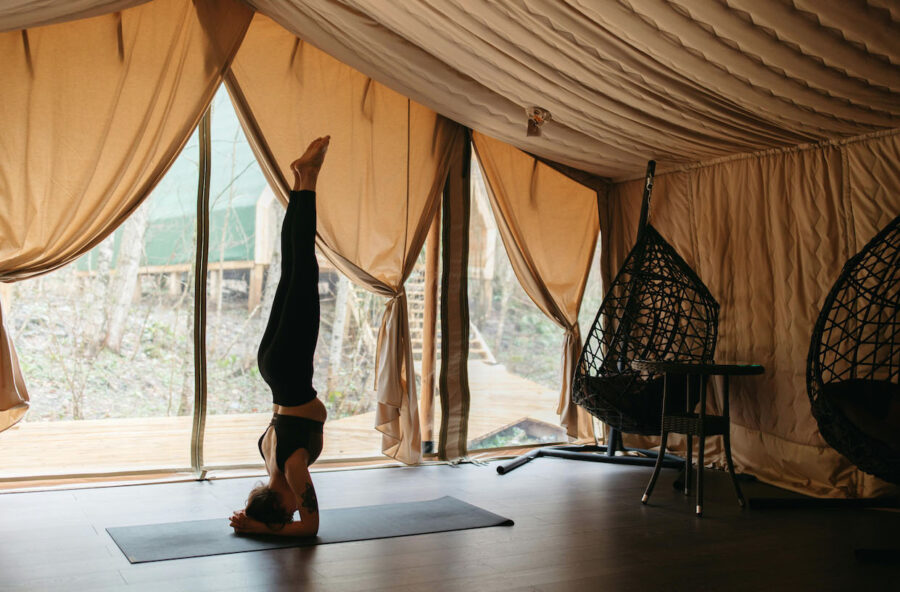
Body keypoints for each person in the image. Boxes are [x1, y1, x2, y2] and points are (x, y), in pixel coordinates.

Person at [230, 136, 331, 537]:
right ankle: (302, 180)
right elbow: (287, 511)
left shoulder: (291, 469)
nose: (296, 510)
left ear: (281, 503)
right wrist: (253, 516)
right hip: (272, 370)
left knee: (302, 265)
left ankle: (308, 178)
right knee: (294, 266)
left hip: (289, 371)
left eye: (286, 512)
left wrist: (260, 529)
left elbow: (311, 529)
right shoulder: (269, 459)